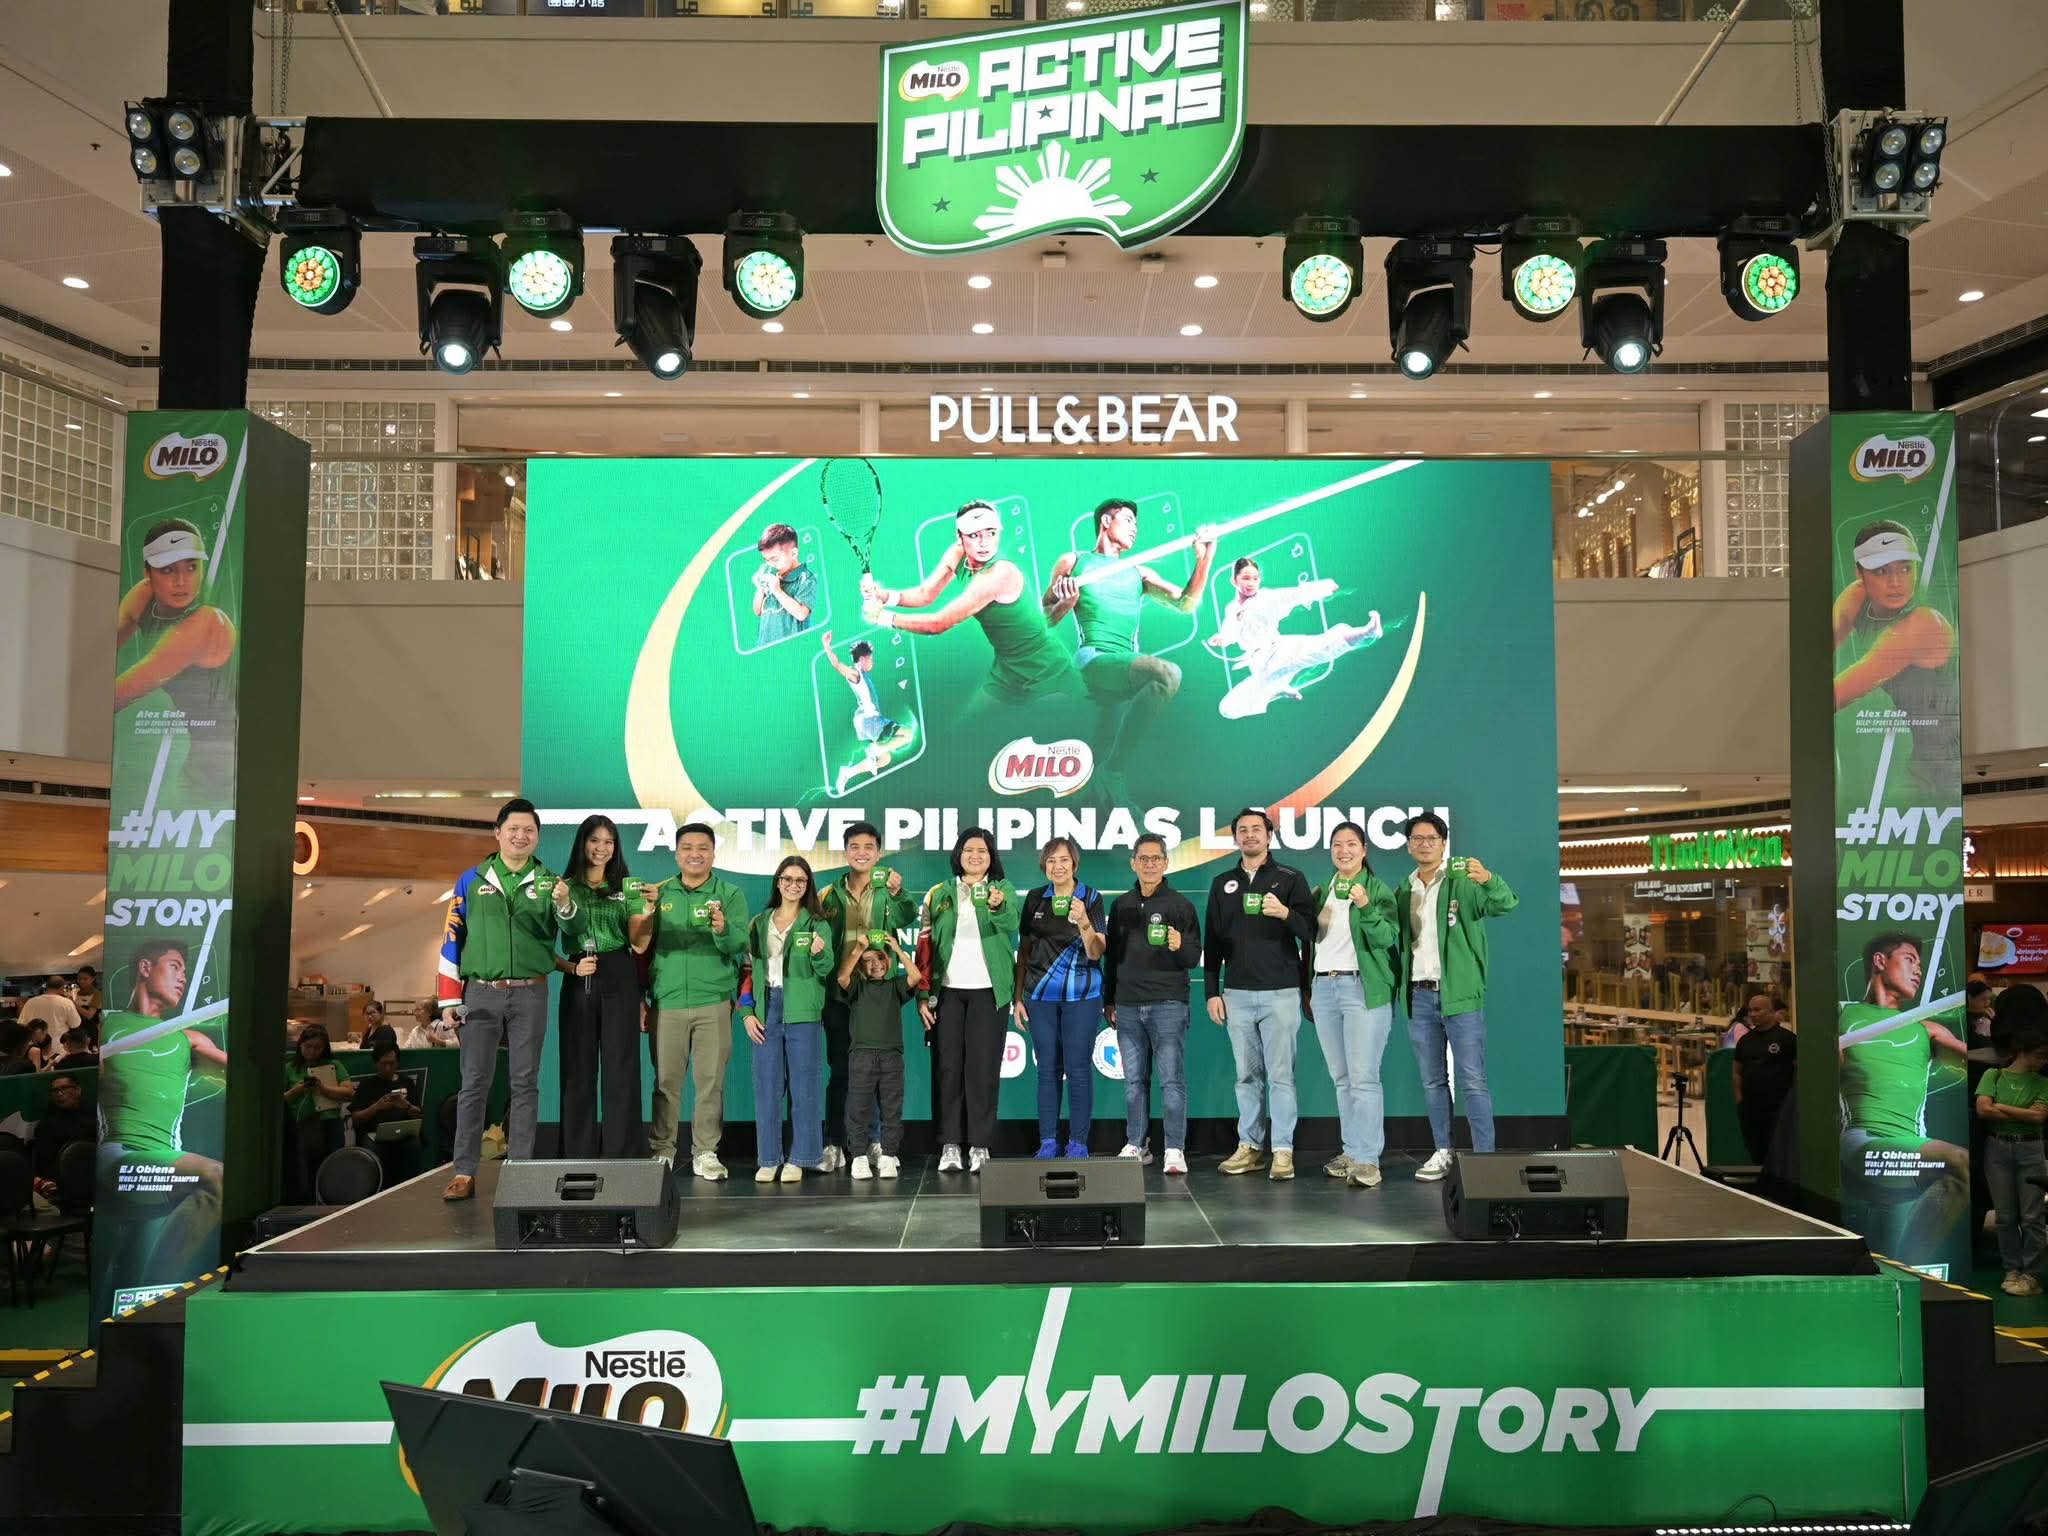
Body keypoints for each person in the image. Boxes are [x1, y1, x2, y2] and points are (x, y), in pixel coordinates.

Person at [436, 797, 576, 1203]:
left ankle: (521, 1172)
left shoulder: (550, 883)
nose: (520, 836)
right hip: (480, 992)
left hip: (531, 992)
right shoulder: (470, 880)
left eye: (529, 830)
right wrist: (448, 999)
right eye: (513, 829)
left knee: (525, 1082)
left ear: (537, 837)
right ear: (497, 833)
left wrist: (566, 905)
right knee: (474, 1083)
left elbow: (572, 930)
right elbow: (452, 937)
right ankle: (464, 1171)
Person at [1041, 499, 1217, 805]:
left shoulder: (1138, 572)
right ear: (1106, 522)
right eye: (1128, 520)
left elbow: (1186, 604)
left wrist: (1205, 558)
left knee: (1096, 784)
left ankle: (1108, 789)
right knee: (1167, 674)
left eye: (1137, 522)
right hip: (1093, 662)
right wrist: (1065, 605)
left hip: (1123, 672)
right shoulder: (1074, 562)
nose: (1135, 527)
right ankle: (1114, 772)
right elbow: (1042, 622)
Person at [92, 938, 228, 1321]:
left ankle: (138, 1319)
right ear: (145, 968)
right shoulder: (108, 1027)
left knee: (122, 1279)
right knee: (216, 1176)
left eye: (186, 970)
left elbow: (242, 1075)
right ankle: (161, 1303)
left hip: (163, 1164)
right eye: (175, 966)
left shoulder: (188, 1037)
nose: (182, 977)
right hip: (117, 1158)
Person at [862, 500, 1081, 709]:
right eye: (974, 535)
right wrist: (884, 596)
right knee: (965, 727)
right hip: (1007, 668)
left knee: (1053, 725)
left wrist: (882, 617)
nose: (984, 542)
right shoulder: (958, 554)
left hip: (1045, 667)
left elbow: (938, 624)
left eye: (991, 533)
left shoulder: (999, 574)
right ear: (959, 536)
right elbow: (925, 595)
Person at [1396, 812, 1520, 1180]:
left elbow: (1505, 904)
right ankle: (1443, 1150)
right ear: (1408, 845)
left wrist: (1489, 879)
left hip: (1460, 996)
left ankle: (1485, 1159)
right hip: (1419, 997)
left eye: (1431, 838)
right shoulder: (1404, 890)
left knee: (1473, 1080)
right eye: (1417, 839)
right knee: (1433, 1082)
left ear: (1443, 843)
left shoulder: (1462, 882)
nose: (1424, 844)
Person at [1837, 932, 1970, 1258]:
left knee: (1961, 1172)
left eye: (1920, 965)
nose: (1918, 970)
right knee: (1961, 1161)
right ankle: (1912, 1270)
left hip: (1909, 1152)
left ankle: (1909, 1269)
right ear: (1880, 961)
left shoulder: (1926, 1028)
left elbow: (1970, 1062)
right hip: (1861, 1144)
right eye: (1910, 960)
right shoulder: (1841, 1017)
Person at [1204, 807, 1317, 1179]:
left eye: (1257, 829)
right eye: (1243, 830)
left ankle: (1283, 1151)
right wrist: (1212, 992)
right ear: (1235, 837)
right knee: (1246, 1077)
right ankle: (1250, 1146)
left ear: (1269, 835)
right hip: (1236, 994)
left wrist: (1285, 913)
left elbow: (1310, 932)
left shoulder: (1290, 878)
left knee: (1281, 1077)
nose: (1250, 834)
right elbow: (1212, 942)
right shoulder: (1222, 883)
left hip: (1281, 993)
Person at [638, 823, 750, 1180]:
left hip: (713, 1001)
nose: (695, 854)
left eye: (703, 848)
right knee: (665, 1082)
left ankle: (705, 1152)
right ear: (676, 854)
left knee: (710, 1082)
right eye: (687, 848)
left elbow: (739, 944)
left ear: (714, 854)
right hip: (667, 1001)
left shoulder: (729, 894)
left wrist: (721, 929)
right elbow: (640, 948)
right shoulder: (658, 893)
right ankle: (662, 1151)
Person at [817, 821, 917, 1172]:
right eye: (854, 847)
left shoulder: (888, 888)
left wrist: (899, 892)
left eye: (868, 847)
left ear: (878, 853)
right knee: (842, 1070)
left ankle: (874, 1141)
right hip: (842, 992)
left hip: (878, 993)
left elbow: (908, 916)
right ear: (846, 852)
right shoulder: (829, 894)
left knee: (876, 1073)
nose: (861, 853)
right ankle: (834, 1142)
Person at [1832, 518, 1958, 793]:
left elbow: (1838, 693)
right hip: (1922, 763)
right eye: (1881, 571)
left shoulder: (1924, 624)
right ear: (1859, 573)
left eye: (1905, 568)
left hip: (1947, 769)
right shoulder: (1856, 598)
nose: (1896, 582)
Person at [113, 517, 238, 795]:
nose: (181, 581)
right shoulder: (143, 597)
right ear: (148, 572)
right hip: (195, 766)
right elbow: (103, 653)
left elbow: (122, 692)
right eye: (168, 569)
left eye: (191, 567)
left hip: (226, 774)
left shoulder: (207, 623)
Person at [919, 827, 1019, 1174]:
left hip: (989, 991)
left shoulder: (1002, 889)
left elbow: (1011, 921)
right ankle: (949, 1143)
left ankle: (979, 1144)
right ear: (958, 854)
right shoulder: (939, 893)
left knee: (983, 1069)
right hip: (947, 991)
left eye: (982, 851)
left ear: (992, 857)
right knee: (947, 1068)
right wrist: (924, 994)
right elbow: (925, 946)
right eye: (969, 850)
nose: (975, 856)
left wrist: (997, 904)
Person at [1308, 820, 1400, 1190]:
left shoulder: (1377, 891)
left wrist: (1364, 905)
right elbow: (1311, 939)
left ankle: (1367, 1160)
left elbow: (1387, 938)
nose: (1343, 850)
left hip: (1362, 988)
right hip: (1324, 987)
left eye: (1351, 844)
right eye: (1337, 844)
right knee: (1342, 1078)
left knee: (1364, 1077)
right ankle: (1351, 1150)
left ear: (1364, 850)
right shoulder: (1322, 890)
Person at [1103, 833, 1201, 1174]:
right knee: (1134, 1082)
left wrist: (1179, 944)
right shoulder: (1121, 905)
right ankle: (1137, 1143)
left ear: (1165, 863)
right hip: (1128, 1004)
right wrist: (1109, 999)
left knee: (1171, 1081)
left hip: (1168, 1003)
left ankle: (1174, 1148)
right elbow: (1112, 957)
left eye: (1155, 858)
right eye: (1143, 859)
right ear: (1133, 863)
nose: (1149, 864)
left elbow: (1193, 957)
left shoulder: (1181, 905)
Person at [554, 815, 649, 1160]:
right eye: (594, 840)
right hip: (579, 974)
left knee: (621, 1068)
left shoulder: (627, 887)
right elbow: (539, 946)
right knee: (577, 1069)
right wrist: (571, 967)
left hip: (619, 973)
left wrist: (648, 912)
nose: (601, 848)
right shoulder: (563, 887)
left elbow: (639, 943)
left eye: (609, 842)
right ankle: (576, 1155)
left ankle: (621, 1155)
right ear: (582, 843)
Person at [740, 857, 835, 1184]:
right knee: (767, 1086)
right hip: (767, 1007)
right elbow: (747, 971)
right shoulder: (759, 922)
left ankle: (801, 1157)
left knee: (804, 1086)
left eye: (800, 880)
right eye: (788, 879)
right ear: (778, 882)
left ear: (807, 886)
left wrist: (819, 952)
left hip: (803, 1010)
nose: (793, 885)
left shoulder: (817, 924)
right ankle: (769, 1159)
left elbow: (826, 969)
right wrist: (747, 1012)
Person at [1013, 836, 1108, 1159]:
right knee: (1047, 1070)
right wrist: (1018, 997)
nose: (1058, 866)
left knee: (1078, 1069)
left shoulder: (1091, 898)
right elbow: (1024, 951)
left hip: (1083, 996)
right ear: (1044, 865)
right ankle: (1048, 1141)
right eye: (1051, 860)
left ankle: (1078, 1142)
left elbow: (1096, 952)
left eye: (1064, 860)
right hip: (1040, 997)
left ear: (1074, 864)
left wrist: (1084, 921)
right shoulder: (1035, 899)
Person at [1206, 557, 1383, 721]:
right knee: (1227, 709)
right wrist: (1222, 638)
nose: (1251, 583)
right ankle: (1275, 691)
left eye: (1255, 578)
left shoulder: (1266, 597)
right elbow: (1230, 631)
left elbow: (1292, 595)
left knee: (1321, 646)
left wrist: (1320, 588)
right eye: (1246, 578)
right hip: (1260, 662)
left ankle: (1367, 632)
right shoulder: (1231, 609)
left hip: (1279, 648)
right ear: (1234, 580)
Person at [1974, 993, 2048, 1297]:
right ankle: (2012, 1269)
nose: (2043, 1061)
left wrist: (2001, 1107)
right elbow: (1983, 1109)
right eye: (2039, 1055)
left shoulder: (2042, 1083)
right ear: (2023, 1052)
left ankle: (2031, 1273)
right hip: (1998, 1148)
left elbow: (2038, 1117)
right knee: (2005, 1217)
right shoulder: (1992, 1074)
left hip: (2030, 1148)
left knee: (2032, 1217)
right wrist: (2021, 1112)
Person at [836, 933, 922, 1180]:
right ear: (861, 967)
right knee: (858, 1108)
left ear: (889, 961)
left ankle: (888, 1156)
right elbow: (842, 978)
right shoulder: (858, 987)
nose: (876, 965)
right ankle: (859, 1157)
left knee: (892, 1110)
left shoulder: (895, 986)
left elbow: (916, 977)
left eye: (881, 958)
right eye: (868, 961)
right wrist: (858, 949)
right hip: (862, 1056)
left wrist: (897, 948)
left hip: (891, 1057)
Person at [820, 630, 916, 797]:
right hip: (871, 721)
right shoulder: (856, 673)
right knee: (908, 735)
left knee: (884, 759)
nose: (872, 661)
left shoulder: (864, 675)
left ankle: (848, 773)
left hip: (865, 723)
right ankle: (875, 749)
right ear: (862, 659)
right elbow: (837, 665)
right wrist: (827, 646)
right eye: (870, 658)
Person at [283, 1024, 353, 1202]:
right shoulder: (290, 1068)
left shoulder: (334, 1065)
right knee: (304, 1173)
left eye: (318, 1048)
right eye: (308, 1046)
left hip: (330, 1125)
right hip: (302, 1127)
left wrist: (323, 1089)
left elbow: (348, 1092)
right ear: (300, 1045)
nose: (312, 1052)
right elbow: (280, 1100)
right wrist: (297, 1090)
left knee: (332, 1169)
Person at [1732, 989, 1798, 1163]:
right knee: (1755, 1151)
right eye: (1750, 1010)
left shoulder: (1788, 1039)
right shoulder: (1745, 1041)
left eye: (1757, 1010)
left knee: (1777, 1152)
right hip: (1751, 1108)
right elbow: (1737, 1072)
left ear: (1770, 1012)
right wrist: (1739, 1099)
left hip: (1779, 1108)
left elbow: (1798, 1072)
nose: (1753, 1014)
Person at [349, 1046, 424, 1187]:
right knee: (372, 1147)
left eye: (392, 1063)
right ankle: (376, 1188)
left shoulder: (407, 1082)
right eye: (383, 1064)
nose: (388, 1068)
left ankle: (412, 1186)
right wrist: (376, 1107)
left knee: (414, 1143)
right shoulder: (367, 1086)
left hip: (402, 1131)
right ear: (376, 1063)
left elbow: (419, 1114)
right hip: (373, 1134)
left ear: (397, 1063)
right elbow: (356, 1118)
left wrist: (407, 1106)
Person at [752, 522, 818, 647]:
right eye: (766, 560)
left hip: (792, 649)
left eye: (774, 559)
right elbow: (757, 611)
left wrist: (777, 590)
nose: (770, 564)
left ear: (793, 554)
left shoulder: (806, 578)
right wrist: (760, 588)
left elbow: (801, 614)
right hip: (765, 646)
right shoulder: (771, 575)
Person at [32, 1074, 94, 1191]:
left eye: (65, 1088)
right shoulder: (46, 1125)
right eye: (55, 1090)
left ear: (78, 1090)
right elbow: (45, 1159)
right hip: (61, 1181)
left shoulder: (96, 1116)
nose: (60, 1094)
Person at [20, 977, 81, 1046]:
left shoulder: (31, 1002)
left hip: (35, 1046)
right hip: (59, 1046)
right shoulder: (67, 1003)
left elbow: (22, 1024)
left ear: (47, 986)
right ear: (62, 988)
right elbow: (75, 1024)